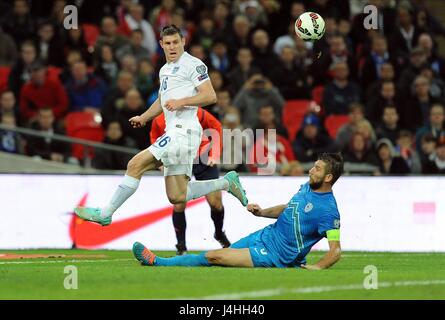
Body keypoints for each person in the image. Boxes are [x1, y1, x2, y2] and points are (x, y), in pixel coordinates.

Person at [74, 25, 248, 226]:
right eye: (168, 43)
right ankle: (227, 183)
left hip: (183, 132)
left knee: (135, 164)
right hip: (175, 133)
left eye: (176, 42)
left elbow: (210, 95)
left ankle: (106, 212)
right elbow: (162, 99)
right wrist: (145, 117)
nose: (172, 47)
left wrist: (181, 102)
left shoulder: (193, 64)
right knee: (177, 196)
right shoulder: (164, 69)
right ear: (161, 45)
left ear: (183, 42)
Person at [132, 153, 343, 270]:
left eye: (316, 169)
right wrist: (261, 213)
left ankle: (158, 262)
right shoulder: (307, 187)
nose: (310, 170)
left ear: (327, 178)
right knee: (225, 259)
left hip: (275, 255)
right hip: (266, 235)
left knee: (216, 257)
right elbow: (290, 210)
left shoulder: (328, 211)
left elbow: (335, 250)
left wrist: (317, 267)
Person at [150, 107, 230, 255]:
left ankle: (219, 233)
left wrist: (215, 153)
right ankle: (181, 246)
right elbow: (155, 137)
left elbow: (216, 127)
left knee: (216, 203)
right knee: (179, 203)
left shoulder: (199, 113)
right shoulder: (160, 120)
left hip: (203, 159)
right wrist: (160, 159)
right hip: (178, 160)